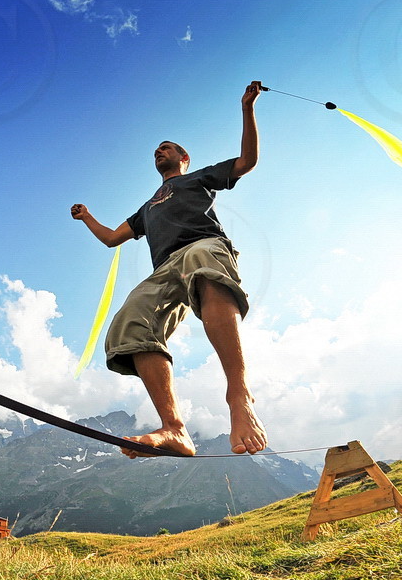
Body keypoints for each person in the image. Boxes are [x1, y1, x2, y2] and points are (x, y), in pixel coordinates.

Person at [71, 81, 267, 458]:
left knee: (201, 264)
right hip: (164, 271)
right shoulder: (147, 207)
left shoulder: (198, 178)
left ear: (184, 157)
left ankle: (238, 394)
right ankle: (174, 428)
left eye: (167, 147)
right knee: (129, 320)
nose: (159, 151)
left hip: (203, 247)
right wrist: (87, 217)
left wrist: (247, 108)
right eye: (155, 150)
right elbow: (113, 238)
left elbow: (246, 162)